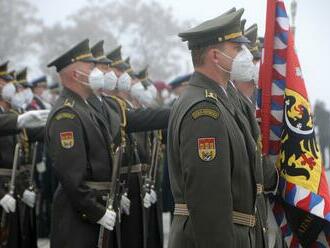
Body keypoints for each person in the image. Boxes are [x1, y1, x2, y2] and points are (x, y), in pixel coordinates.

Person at [167, 8, 268, 247]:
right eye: (237, 48)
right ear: (215, 56)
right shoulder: (204, 111)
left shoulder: (223, 99)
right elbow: (209, 199)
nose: (245, 54)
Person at [46, 39, 117, 248]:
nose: (97, 72)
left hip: (93, 214)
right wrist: (97, 211)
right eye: (91, 67)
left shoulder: (83, 108)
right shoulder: (67, 114)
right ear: (76, 75)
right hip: (79, 221)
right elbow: (72, 178)